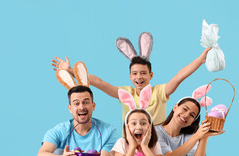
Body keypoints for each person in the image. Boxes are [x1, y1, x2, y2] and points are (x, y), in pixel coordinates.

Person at [51, 32, 211, 126]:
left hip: (156, 147)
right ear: (130, 76)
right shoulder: (125, 93)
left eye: (143, 73)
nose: (139, 77)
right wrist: (70, 70)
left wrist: (200, 60)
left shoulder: (160, 91)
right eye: (134, 73)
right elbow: (99, 82)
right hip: (131, 148)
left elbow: (179, 76)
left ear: (151, 75)